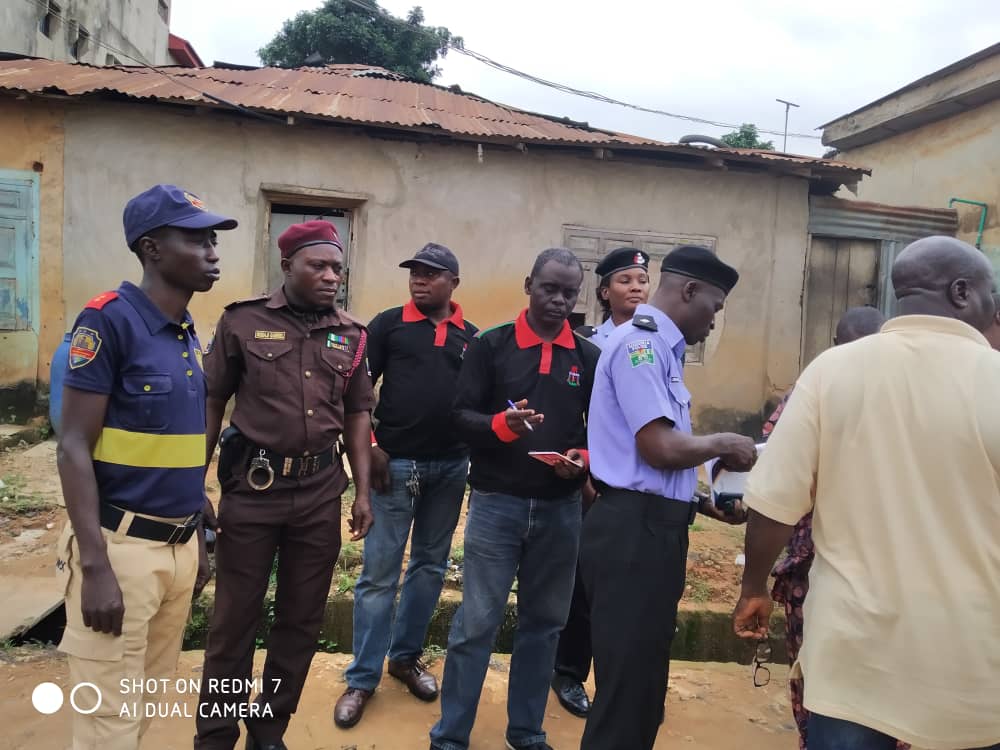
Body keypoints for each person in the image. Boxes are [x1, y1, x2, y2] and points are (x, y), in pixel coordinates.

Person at [733, 236, 1000, 750]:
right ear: (964, 292)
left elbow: (772, 502)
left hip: (854, 662)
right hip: (972, 666)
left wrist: (753, 588)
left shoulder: (831, 372)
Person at [55, 184, 236, 750]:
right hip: (120, 552)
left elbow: (176, 451)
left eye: (214, 238)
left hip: (177, 550)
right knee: (108, 722)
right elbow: (72, 447)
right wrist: (96, 566)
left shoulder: (185, 333)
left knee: (143, 708)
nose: (212, 251)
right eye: (196, 238)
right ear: (152, 248)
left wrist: (196, 537)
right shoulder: (108, 322)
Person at [194, 220, 375, 750]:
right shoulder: (241, 322)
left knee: (300, 621)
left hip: (320, 492)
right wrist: (194, 481)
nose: (330, 277)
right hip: (253, 490)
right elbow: (211, 401)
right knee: (234, 621)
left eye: (337, 269)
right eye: (317, 265)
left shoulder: (354, 335)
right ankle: (216, 735)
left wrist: (362, 491)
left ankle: (269, 732)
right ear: (287, 265)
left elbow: (359, 413)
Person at [580, 245, 757, 750]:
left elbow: (656, 464)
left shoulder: (663, 351)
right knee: (626, 693)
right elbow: (657, 447)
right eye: (714, 308)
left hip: (653, 526)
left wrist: (703, 501)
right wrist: (724, 443)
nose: (714, 320)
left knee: (643, 688)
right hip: (632, 534)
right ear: (689, 291)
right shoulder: (642, 346)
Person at [429, 248, 600, 750]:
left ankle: (526, 732)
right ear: (529, 284)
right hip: (496, 505)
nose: (560, 300)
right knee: (475, 624)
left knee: (544, 625)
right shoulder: (491, 346)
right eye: (550, 288)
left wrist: (582, 457)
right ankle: (450, 735)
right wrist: (502, 425)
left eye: (570, 293)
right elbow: (459, 416)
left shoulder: (588, 357)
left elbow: (604, 431)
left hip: (561, 509)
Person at [334, 243, 478, 727]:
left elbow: (478, 403)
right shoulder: (387, 326)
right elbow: (356, 393)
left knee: (430, 569)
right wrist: (370, 445)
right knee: (378, 575)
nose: (419, 280)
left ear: (453, 282)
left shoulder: (470, 338)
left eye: (431, 274)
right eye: (414, 273)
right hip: (392, 467)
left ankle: (404, 658)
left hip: (450, 470)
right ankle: (361, 678)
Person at [762, 306, 887, 750]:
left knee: (826, 678)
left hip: (828, 567)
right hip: (824, 565)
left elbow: (774, 475)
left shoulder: (819, 385)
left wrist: (753, 584)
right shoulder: (821, 388)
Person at [552, 246, 651, 718]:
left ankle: (618, 681)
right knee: (582, 585)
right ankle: (569, 672)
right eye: (625, 280)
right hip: (595, 481)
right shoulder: (587, 342)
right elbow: (582, 418)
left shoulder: (657, 340)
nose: (636, 288)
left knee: (629, 588)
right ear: (604, 290)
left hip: (640, 482)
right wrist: (586, 477)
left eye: (641, 280)